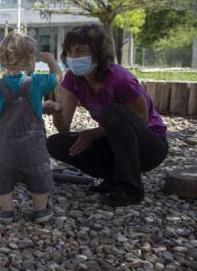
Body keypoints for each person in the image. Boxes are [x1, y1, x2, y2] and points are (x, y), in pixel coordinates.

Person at [46, 24, 168, 206]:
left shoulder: (120, 79)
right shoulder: (72, 79)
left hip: (150, 146)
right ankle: (112, 178)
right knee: (56, 143)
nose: (73, 57)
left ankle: (130, 188)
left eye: (80, 51)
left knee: (113, 112)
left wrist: (93, 133)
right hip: (114, 143)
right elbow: (64, 128)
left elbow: (141, 119)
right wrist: (56, 111)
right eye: (69, 52)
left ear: (98, 52)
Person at [0, 32, 61, 223]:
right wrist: (50, 60)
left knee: (3, 178)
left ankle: (7, 212)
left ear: (3, 62)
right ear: (31, 59)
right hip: (33, 146)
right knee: (38, 175)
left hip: (5, 145)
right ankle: (41, 211)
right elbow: (58, 76)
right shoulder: (37, 82)